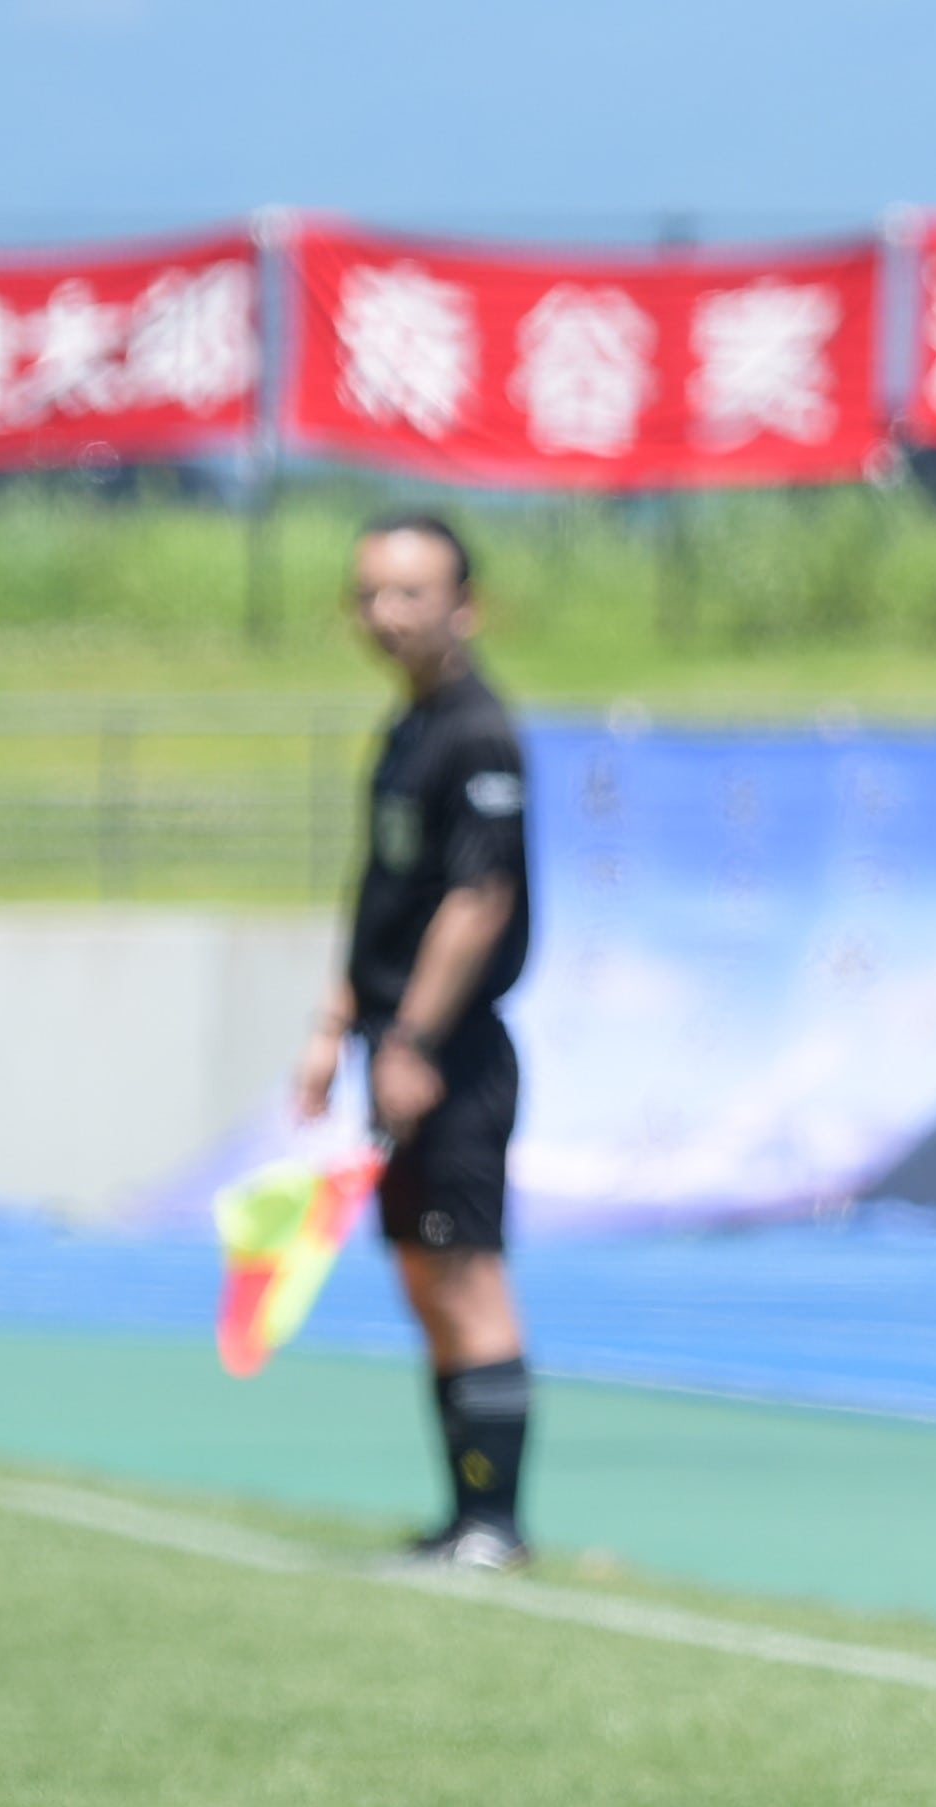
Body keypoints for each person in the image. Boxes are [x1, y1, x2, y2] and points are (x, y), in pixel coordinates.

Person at [292, 513, 537, 1570]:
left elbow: (479, 900)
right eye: (370, 595)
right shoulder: (409, 727)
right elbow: (386, 896)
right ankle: (460, 1514)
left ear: (463, 608)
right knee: (423, 1276)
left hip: (450, 1058)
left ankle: (495, 1524)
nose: (386, 615)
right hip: (396, 1045)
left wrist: (414, 1043)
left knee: (464, 1275)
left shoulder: (478, 734)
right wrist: (336, 1024)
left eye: (410, 594)